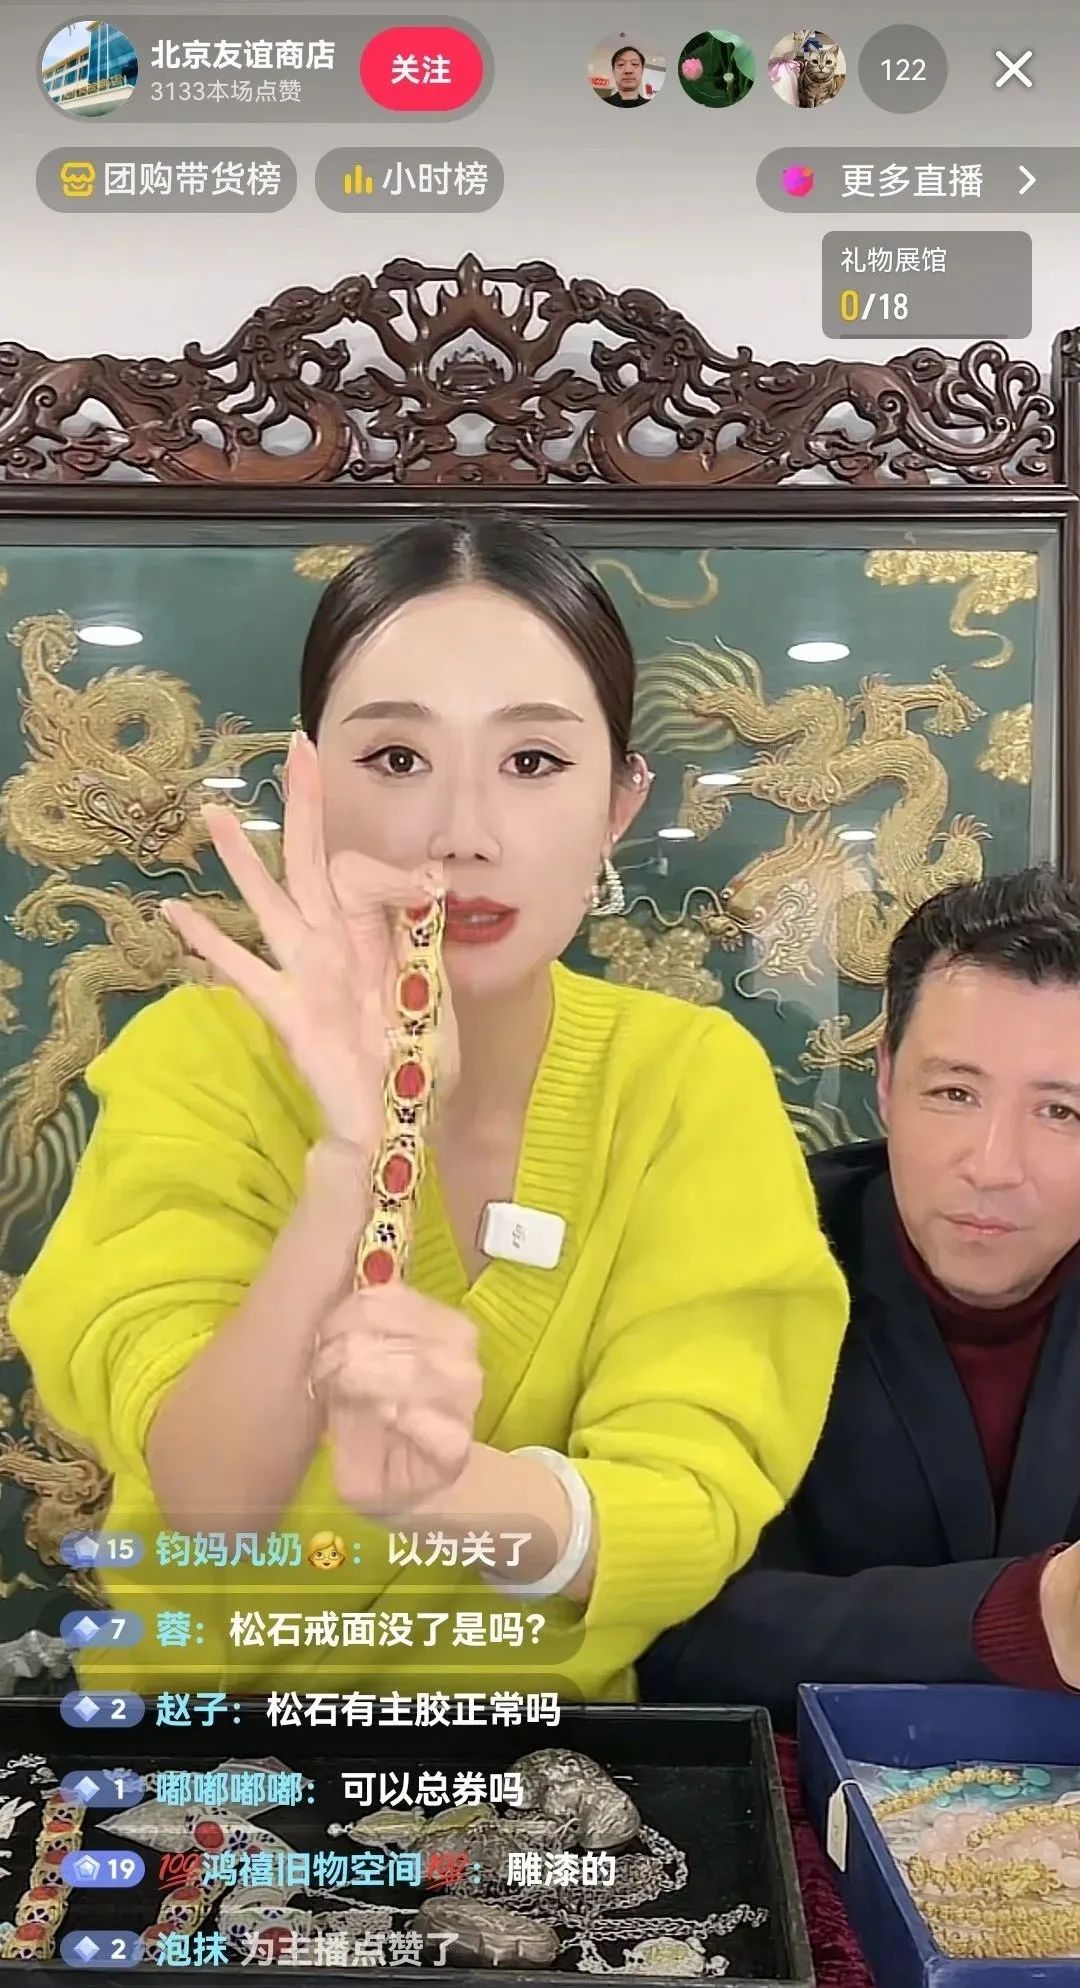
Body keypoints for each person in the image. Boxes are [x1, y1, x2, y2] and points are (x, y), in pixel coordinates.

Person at [10, 516, 848, 1700]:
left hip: (544, 1767)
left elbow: (692, 1497)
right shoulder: (195, 1062)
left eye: (534, 760)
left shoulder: (688, 1078)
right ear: (309, 785)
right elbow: (209, 1497)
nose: (463, 834)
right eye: (397, 757)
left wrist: (451, 1490)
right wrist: (352, 1156)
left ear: (620, 801)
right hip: (207, 1756)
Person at [641, 868, 1080, 1724]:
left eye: (1062, 1112)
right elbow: (667, 1624)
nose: (993, 1166)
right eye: (954, 1093)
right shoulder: (739, 1261)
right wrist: (1030, 1616)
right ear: (884, 1080)